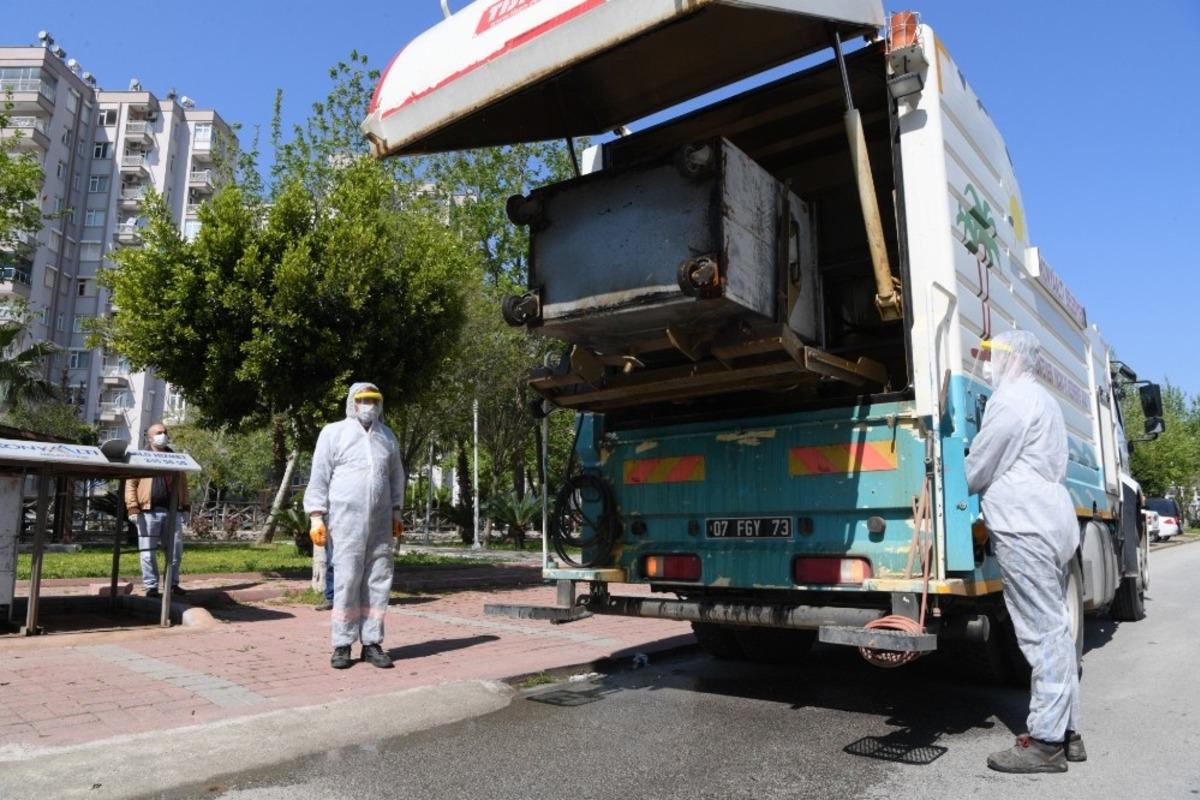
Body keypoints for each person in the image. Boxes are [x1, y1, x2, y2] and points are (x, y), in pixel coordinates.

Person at [966, 330, 1084, 773]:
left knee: (1040, 632)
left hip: (1024, 523)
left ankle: (1047, 742)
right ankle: (1069, 730)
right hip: (1049, 520)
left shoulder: (1012, 400)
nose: (989, 365)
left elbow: (980, 467)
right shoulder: (1042, 400)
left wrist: (951, 473)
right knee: (1055, 625)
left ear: (1013, 359)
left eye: (995, 357)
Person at [304, 382, 405, 669]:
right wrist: (315, 516)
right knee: (347, 579)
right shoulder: (333, 433)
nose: (368, 405)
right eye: (363, 399)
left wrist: (396, 512)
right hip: (345, 520)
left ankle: (372, 642)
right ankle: (342, 644)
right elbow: (320, 475)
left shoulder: (387, 437)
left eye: (374, 399)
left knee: (379, 579)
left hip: (381, 522)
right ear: (352, 401)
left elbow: (397, 477)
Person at [125, 422, 190, 599]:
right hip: (148, 513)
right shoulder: (141, 456)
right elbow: (131, 483)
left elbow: (183, 484)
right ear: (150, 437)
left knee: (175, 551)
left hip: (173, 512)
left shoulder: (175, 457)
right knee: (147, 552)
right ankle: (151, 587)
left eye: (165, 432)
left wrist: (185, 506)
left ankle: (172, 584)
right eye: (159, 432)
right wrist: (132, 507)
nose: (164, 435)